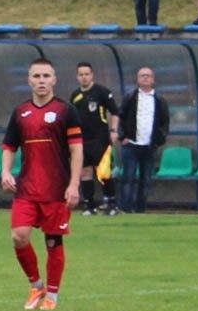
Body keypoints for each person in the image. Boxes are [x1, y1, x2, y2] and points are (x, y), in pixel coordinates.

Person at [0, 58, 82, 311]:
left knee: (53, 242)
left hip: (56, 189)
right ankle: (36, 285)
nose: (41, 81)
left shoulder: (65, 111)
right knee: (18, 236)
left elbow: (76, 149)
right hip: (26, 188)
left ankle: (52, 296)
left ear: (55, 80)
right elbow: (9, 146)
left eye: (46, 76)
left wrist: (74, 184)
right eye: (36, 76)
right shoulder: (20, 112)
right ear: (29, 80)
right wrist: (5, 171)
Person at [116, 66, 170, 214]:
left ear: (153, 79)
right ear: (137, 79)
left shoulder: (159, 100)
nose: (145, 78)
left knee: (146, 180)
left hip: (149, 146)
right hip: (131, 145)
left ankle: (140, 209)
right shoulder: (130, 97)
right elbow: (120, 116)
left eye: (148, 76)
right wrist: (122, 136)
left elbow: (165, 122)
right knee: (128, 178)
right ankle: (125, 208)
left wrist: (159, 140)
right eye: (142, 76)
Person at [68, 62, 120, 216]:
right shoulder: (75, 95)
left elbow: (115, 112)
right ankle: (89, 205)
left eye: (87, 74)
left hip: (100, 138)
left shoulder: (102, 92)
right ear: (77, 77)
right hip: (82, 139)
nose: (84, 77)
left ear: (92, 75)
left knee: (103, 171)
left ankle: (111, 203)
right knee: (85, 171)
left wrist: (114, 130)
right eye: (81, 74)